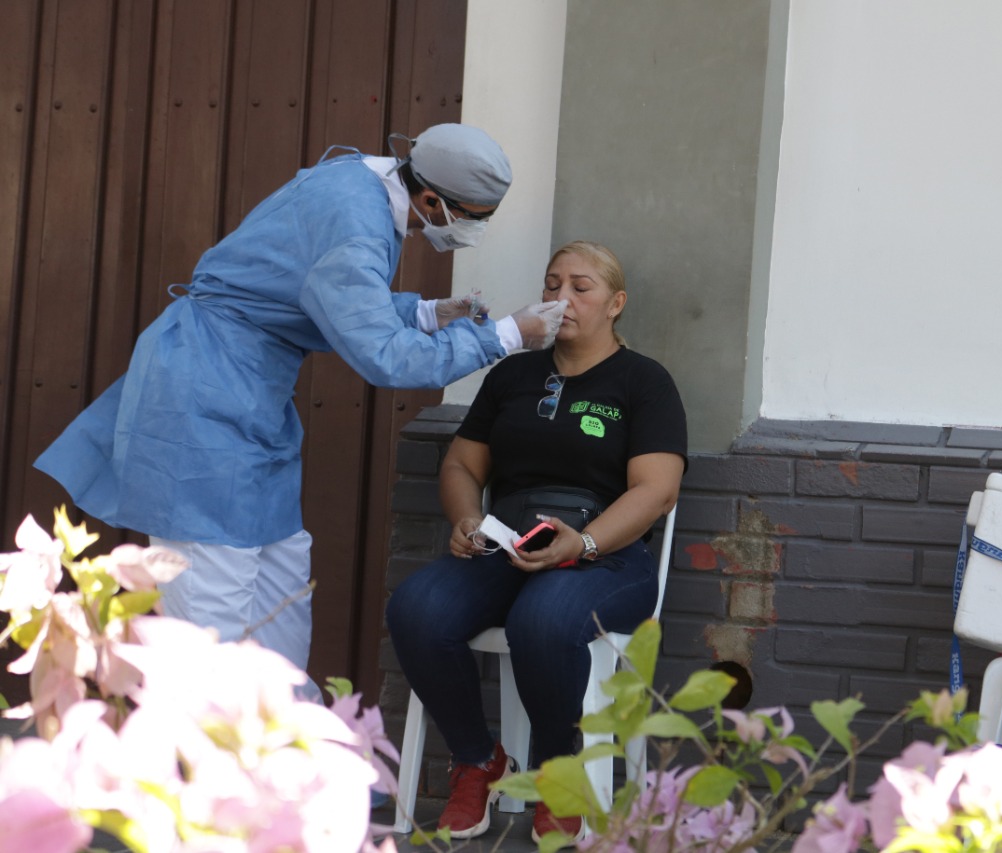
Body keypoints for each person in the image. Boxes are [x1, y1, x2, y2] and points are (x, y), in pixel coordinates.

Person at [34, 123, 567, 697]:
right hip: (202, 402)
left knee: (279, 598)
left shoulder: (358, 182)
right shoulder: (354, 224)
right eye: (474, 216)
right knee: (210, 625)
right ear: (431, 200)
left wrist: (429, 312)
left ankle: (287, 763)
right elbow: (386, 357)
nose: (476, 229)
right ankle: (212, 772)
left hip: (249, 398)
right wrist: (509, 334)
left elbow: (322, 289)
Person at [385, 241, 686, 842]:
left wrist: (585, 543)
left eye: (581, 287)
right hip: (510, 540)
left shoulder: (643, 382)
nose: (561, 298)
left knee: (543, 620)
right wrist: (468, 518)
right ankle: (479, 761)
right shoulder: (514, 373)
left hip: (606, 553)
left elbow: (656, 492)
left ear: (615, 304)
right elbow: (461, 468)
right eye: (552, 285)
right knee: (416, 608)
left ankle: (557, 771)